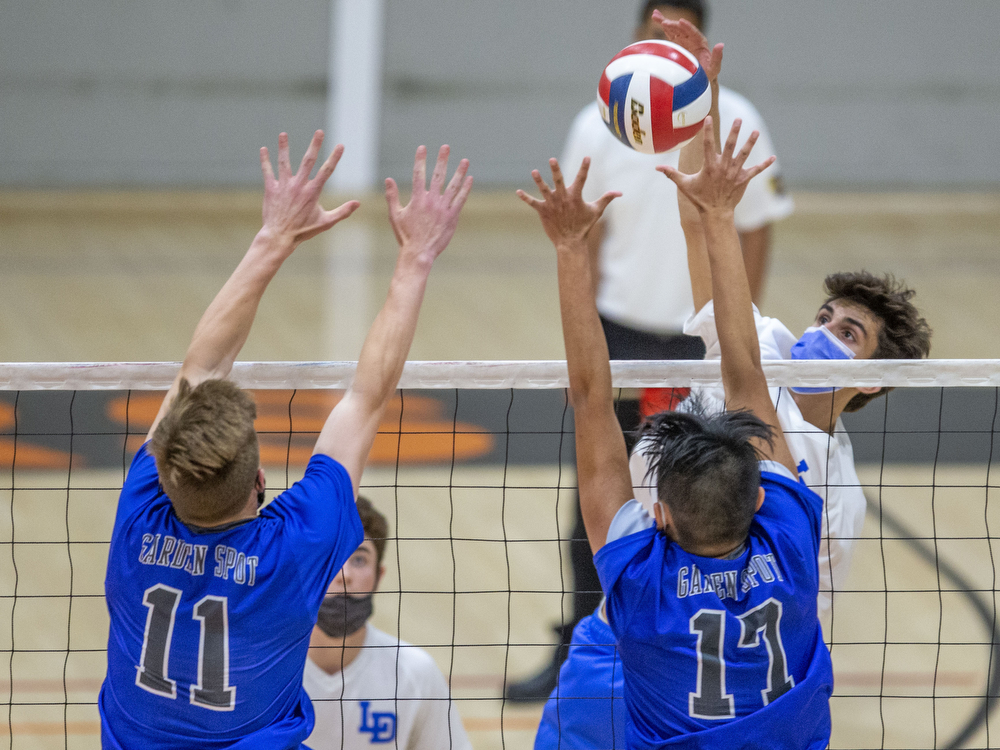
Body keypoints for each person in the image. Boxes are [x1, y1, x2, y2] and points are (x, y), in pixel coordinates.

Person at [98, 132, 473, 749]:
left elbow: (201, 365)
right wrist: (416, 258)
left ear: (165, 474)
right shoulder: (295, 545)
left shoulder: (141, 516)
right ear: (261, 483)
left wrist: (271, 238)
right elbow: (366, 395)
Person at [507, 0, 793, 701]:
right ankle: (583, 638)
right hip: (623, 335)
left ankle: (726, 632)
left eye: (676, 35)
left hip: (703, 341)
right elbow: (585, 229)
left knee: (726, 492)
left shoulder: (740, 120)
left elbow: (751, 229)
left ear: (697, 39)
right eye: (652, 32)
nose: (660, 45)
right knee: (600, 493)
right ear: (634, 36)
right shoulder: (598, 120)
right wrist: (586, 329)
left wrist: (737, 330)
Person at [519, 113, 836, 746]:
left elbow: (589, 400)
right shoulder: (791, 541)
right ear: (762, 498)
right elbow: (749, 377)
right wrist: (722, 220)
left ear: (658, 515)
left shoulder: (640, 584)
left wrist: (570, 249)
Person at [303, 497, 473, 750]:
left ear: (378, 577)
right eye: (330, 558)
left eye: (359, 560)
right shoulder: (262, 668)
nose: (345, 575)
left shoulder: (414, 673)